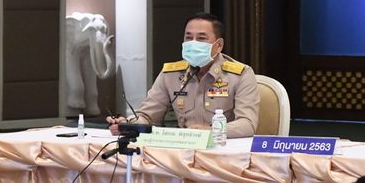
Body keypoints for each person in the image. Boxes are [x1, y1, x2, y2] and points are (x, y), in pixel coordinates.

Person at [107, 12, 260, 138]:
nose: (193, 43)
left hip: (222, 149)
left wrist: (211, 131)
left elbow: (247, 124)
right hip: (183, 150)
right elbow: (147, 116)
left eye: (201, 38)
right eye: (188, 37)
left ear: (218, 45)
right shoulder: (171, 74)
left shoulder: (241, 75)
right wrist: (127, 124)